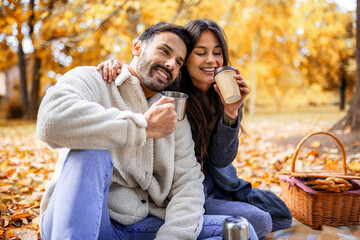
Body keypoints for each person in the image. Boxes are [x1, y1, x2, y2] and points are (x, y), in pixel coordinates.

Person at [36, 22, 259, 239]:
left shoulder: (172, 111)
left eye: (178, 62)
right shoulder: (94, 79)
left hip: (141, 225)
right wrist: (142, 127)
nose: (171, 63)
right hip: (84, 220)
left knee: (240, 231)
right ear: (137, 47)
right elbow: (50, 122)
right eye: (164, 51)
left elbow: (188, 184)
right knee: (91, 152)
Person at [97, 18, 292, 239]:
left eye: (217, 52)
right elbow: (139, 77)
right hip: (185, 188)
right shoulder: (169, 93)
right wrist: (116, 65)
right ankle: (210, 218)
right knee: (259, 221)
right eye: (201, 52)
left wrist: (230, 113)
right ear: (185, 59)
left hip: (219, 183)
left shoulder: (226, 93)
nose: (211, 60)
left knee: (282, 214)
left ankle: (221, 210)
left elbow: (221, 160)